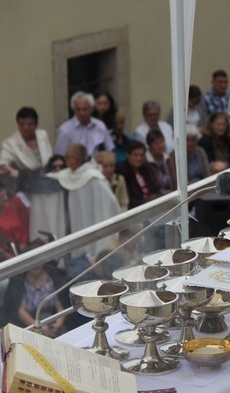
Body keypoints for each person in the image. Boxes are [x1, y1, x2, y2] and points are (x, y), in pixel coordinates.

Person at [56, 144, 120, 278]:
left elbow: (111, 203)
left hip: (93, 228)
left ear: (76, 160)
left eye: (68, 157)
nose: (66, 160)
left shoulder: (93, 178)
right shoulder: (68, 174)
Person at [54, 91, 114, 157]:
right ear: (74, 110)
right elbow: (59, 157)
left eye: (85, 109)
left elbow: (110, 150)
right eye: (78, 110)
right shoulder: (65, 130)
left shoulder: (100, 126)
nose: (81, 113)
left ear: (92, 109)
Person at [0, 106, 53, 174]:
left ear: (36, 125)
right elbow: (2, 163)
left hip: (48, 176)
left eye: (30, 124)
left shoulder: (43, 135)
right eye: (22, 124)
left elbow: (50, 159)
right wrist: (16, 173)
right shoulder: (10, 143)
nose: (26, 128)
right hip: (26, 179)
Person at [117, 140, 162, 210]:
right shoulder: (121, 171)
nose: (139, 158)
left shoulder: (147, 169)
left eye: (141, 155)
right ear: (128, 155)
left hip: (153, 207)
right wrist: (145, 202)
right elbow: (127, 198)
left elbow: (155, 189)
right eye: (135, 155)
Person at [167, 124, 211, 190]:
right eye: (186, 140)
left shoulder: (200, 151)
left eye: (193, 140)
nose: (190, 144)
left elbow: (207, 173)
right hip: (185, 190)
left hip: (203, 188)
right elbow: (177, 181)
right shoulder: (174, 156)